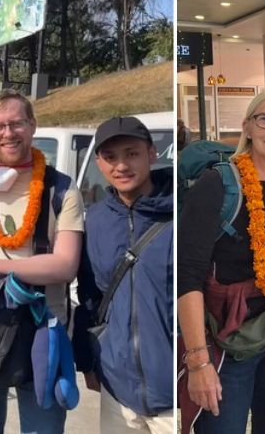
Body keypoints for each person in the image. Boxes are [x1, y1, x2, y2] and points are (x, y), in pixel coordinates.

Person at [178, 88, 265, 434]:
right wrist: (198, 362)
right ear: (247, 127)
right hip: (226, 344)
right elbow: (187, 275)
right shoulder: (217, 185)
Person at [0, 89, 84, 434]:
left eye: (16, 123)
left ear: (33, 125)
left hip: (41, 331)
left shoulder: (60, 189)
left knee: (43, 429)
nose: (8, 133)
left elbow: (65, 265)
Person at [73, 116, 174, 433]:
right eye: (110, 157)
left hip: (173, 391)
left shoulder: (180, 213)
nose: (121, 166)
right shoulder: (95, 221)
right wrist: (87, 362)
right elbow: (89, 296)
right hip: (118, 390)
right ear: (99, 163)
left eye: (132, 153)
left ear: (152, 154)